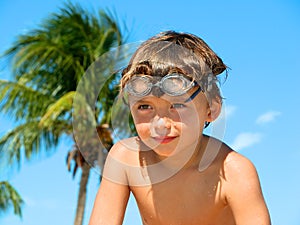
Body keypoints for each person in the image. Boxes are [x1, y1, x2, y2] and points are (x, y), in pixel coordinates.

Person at [89, 31, 271, 225]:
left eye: (176, 106)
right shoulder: (126, 158)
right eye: (144, 107)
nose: (160, 124)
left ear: (211, 109)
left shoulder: (234, 172)